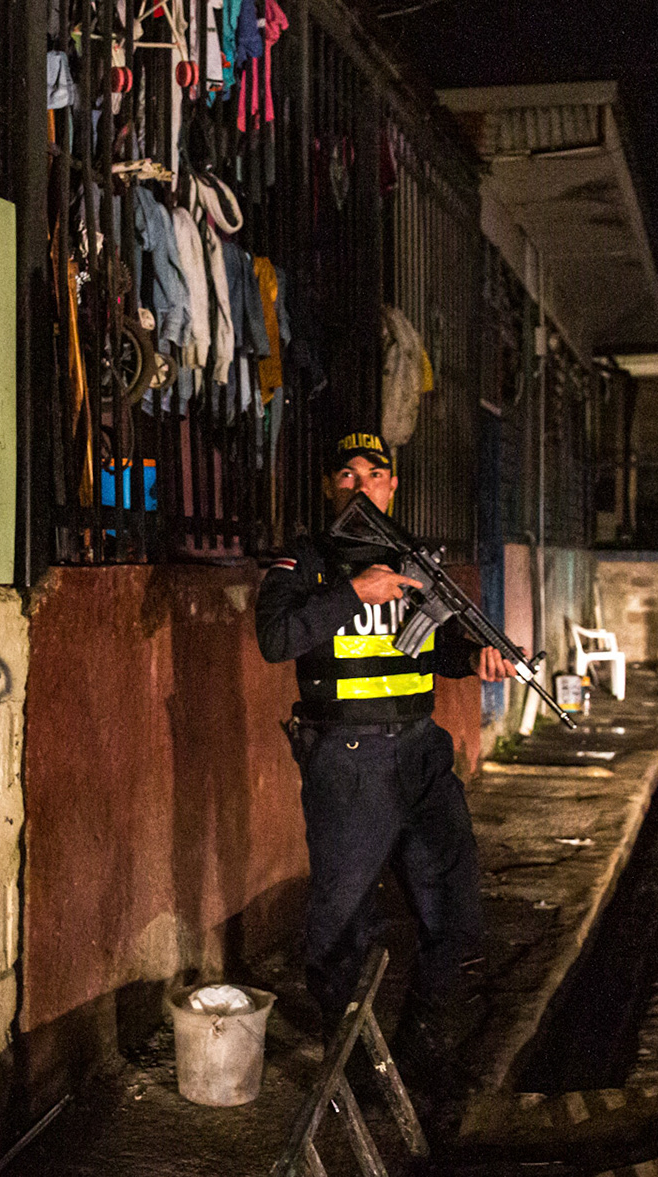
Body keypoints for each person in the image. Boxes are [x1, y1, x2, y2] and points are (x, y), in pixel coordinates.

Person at [255, 431, 520, 1101]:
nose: (358, 484)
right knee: (342, 927)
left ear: (391, 486)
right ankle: (358, 1065)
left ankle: (420, 1049)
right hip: (347, 762)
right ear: (328, 487)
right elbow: (276, 637)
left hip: (421, 753)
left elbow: (428, 651)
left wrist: (475, 659)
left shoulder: (413, 564)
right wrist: (354, 591)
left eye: (373, 474)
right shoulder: (305, 559)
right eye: (344, 474)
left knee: (455, 911)